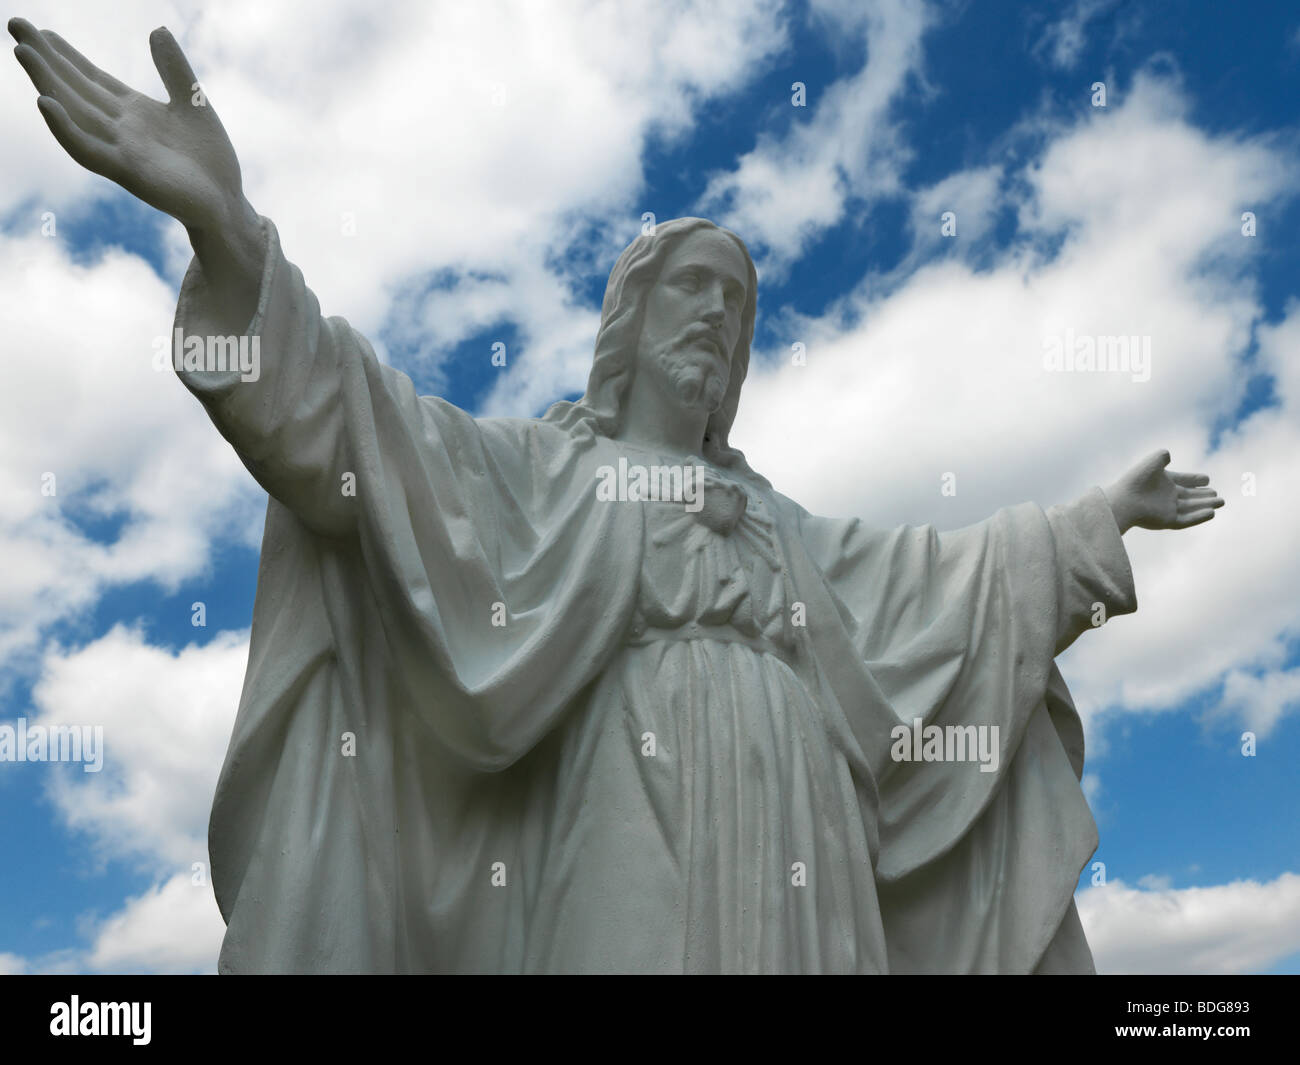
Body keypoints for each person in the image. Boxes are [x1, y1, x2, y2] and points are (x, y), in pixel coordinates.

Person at [9, 19, 1224, 973]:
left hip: (803, 824)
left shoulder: (780, 527)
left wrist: (1082, 527)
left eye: (738, 307)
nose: (717, 314)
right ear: (630, 325)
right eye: (693, 288)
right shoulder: (538, 470)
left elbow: (932, 584)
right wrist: (232, 233)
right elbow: (347, 424)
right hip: (629, 800)